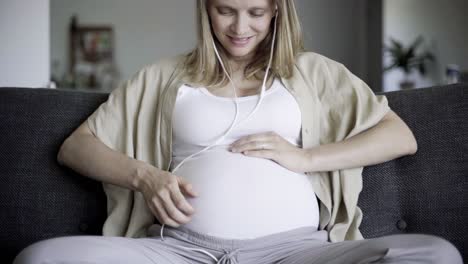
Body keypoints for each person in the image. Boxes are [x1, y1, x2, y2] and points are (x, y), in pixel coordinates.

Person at [14, 0, 462, 263]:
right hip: (179, 251)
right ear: (206, 10)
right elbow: (76, 147)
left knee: (435, 255)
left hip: (295, 253)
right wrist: (145, 177)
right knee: (41, 258)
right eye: (225, 10)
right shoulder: (164, 76)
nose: (240, 27)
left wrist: (304, 158)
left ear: (276, 13)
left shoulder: (312, 72)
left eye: (255, 12)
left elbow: (399, 135)